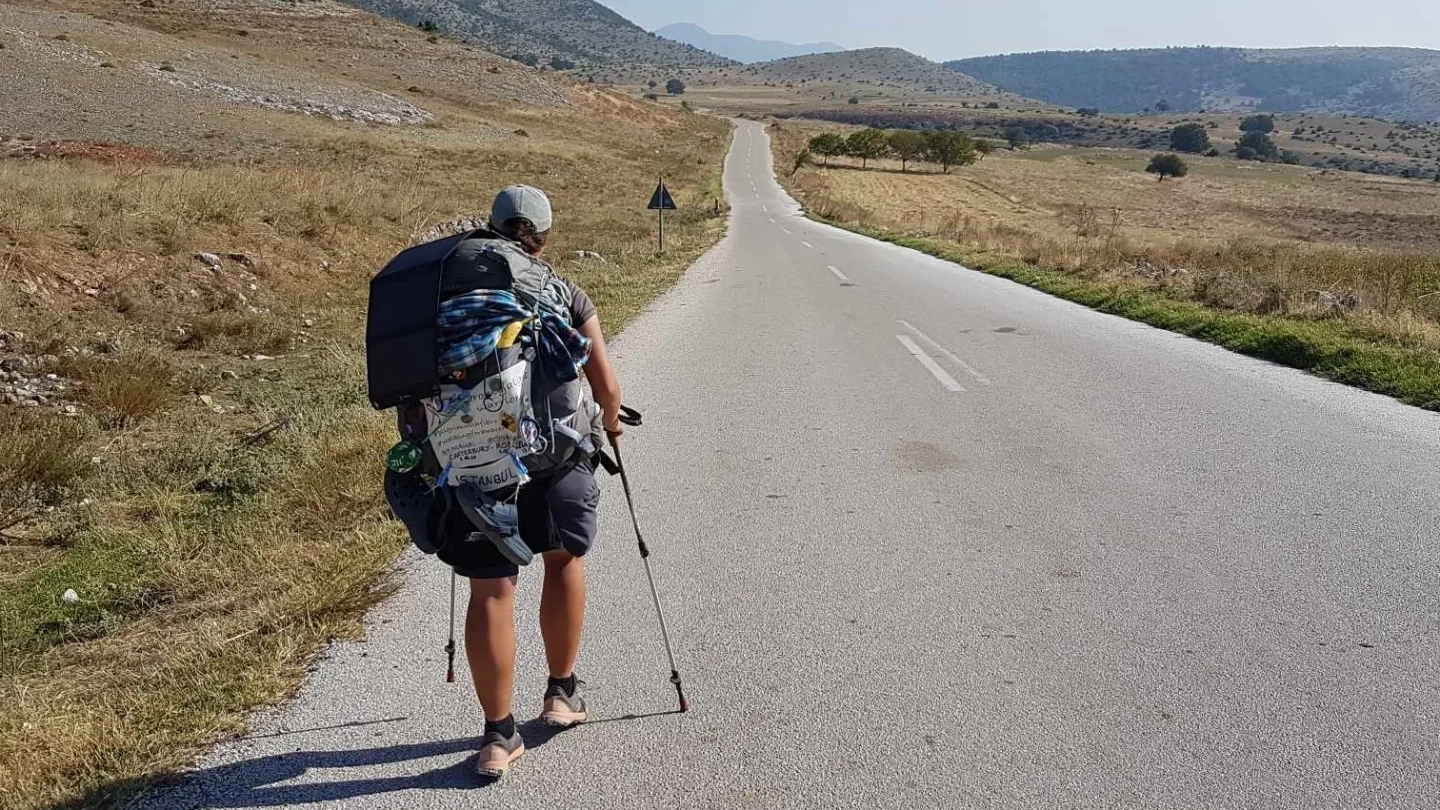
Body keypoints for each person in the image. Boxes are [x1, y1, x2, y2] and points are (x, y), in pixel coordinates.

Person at [446, 186, 624, 778]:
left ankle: (498, 737)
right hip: (557, 457)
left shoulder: (448, 292)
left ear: (489, 229)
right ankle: (561, 693)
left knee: (491, 592)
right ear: (543, 236)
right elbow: (607, 387)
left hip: (476, 464)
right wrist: (613, 424)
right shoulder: (563, 291)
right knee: (563, 561)